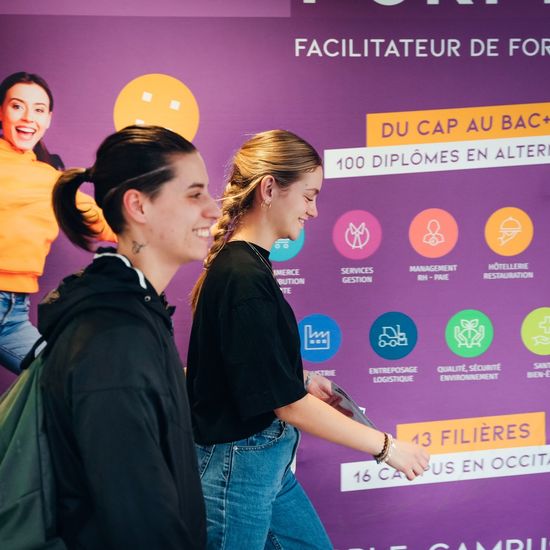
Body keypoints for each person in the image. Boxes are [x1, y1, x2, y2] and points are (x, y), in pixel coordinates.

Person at [187, 129, 430, 550]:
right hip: (237, 468)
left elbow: (245, 370)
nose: (313, 211)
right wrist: (386, 448)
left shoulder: (248, 267)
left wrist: (297, 379)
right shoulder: (242, 275)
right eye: (308, 196)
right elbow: (287, 405)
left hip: (264, 461)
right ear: (269, 189)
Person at [39, 125, 219, 549]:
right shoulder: (113, 341)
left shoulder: (138, 311)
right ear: (138, 205)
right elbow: (139, 523)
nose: (213, 209)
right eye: (194, 194)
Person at [0, 71, 115, 374]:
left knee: (64, 378)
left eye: (38, 109)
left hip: (13, 315)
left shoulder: (51, 180)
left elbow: (103, 223)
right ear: (1, 111)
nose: (28, 117)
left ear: (48, 118)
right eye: (17, 106)